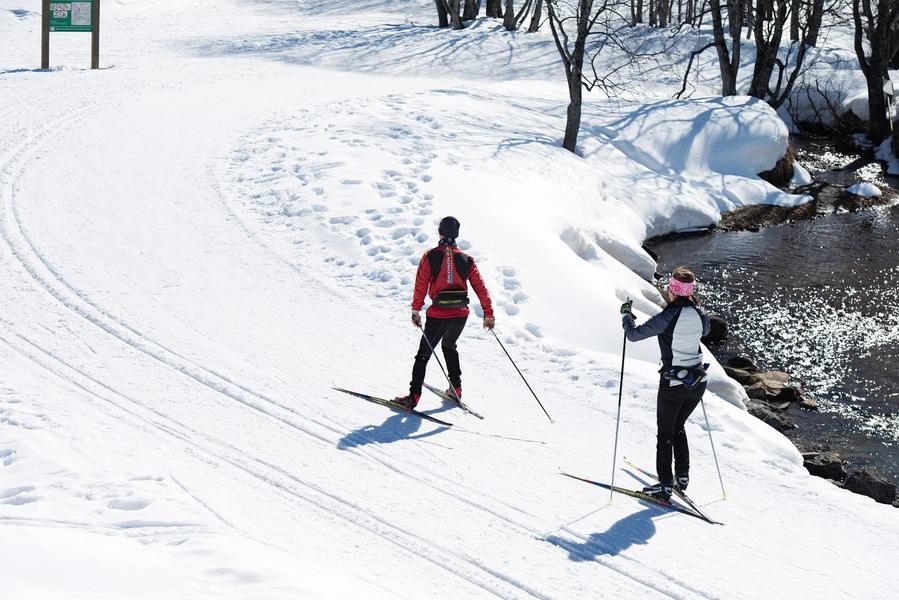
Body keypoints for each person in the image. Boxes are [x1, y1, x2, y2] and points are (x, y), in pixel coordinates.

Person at [620, 266, 711, 501]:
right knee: (678, 426)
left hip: (674, 384)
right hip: (697, 382)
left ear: (672, 291)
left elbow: (634, 335)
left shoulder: (668, 316)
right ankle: (682, 477)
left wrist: (626, 316)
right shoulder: (700, 315)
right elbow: (706, 331)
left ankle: (664, 485)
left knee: (665, 434)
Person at [395, 216, 495, 409]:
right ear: (456, 234)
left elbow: (421, 284)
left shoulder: (430, 256)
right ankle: (456, 388)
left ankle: (413, 396)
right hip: (460, 314)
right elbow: (480, 288)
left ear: (439, 232)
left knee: (423, 355)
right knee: (449, 346)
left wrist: (416, 311)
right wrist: (488, 314)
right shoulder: (467, 259)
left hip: (438, 315)